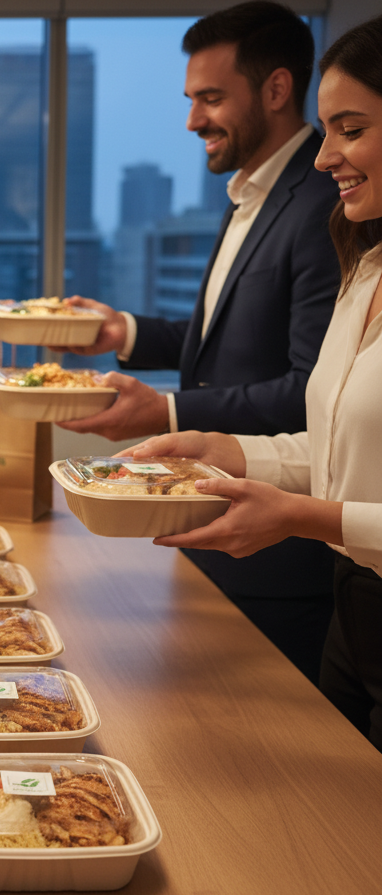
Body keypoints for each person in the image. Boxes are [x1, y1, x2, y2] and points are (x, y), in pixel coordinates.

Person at [120, 15, 382, 750]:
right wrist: (226, 449)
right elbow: (334, 446)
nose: (326, 156)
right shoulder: (365, 266)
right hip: (354, 610)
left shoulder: (321, 218)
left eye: (351, 129)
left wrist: (305, 517)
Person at [61, 2, 341, 682]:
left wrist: (167, 412)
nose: (193, 121)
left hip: (277, 559)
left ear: (276, 89)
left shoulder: (323, 202)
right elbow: (225, 340)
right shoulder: (253, 194)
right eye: (191, 100)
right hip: (216, 539)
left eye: (210, 98)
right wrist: (124, 332)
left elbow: (312, 390)